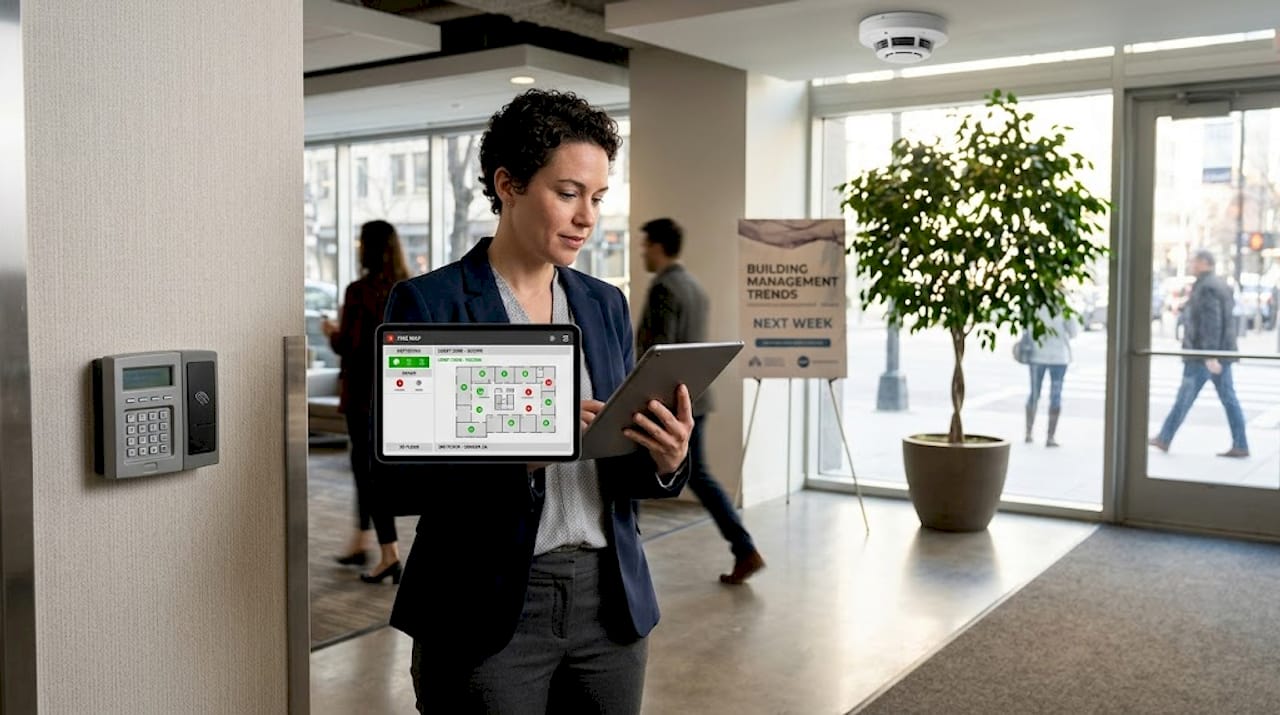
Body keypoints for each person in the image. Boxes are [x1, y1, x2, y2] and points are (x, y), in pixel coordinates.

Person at [382, 89, 694, 713]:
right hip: (483, 604)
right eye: (569, 193)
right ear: (509, 185)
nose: (587, 217)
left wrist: (666, 459)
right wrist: (523, 451)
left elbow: (616, 458)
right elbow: (399, 479)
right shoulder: (431, 305)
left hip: (609, 605)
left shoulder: (604, 303)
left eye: (597, 198)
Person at [636, 217, 766, 584]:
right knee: (698, 475)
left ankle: (629, 559)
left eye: (645, 246)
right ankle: (744, 549)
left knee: (638, 475)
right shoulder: (693, 286)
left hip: (668, 404)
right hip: (696, 398)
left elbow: (657, 352)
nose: (642, 253)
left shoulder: (664, 288)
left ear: (658, 246)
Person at [322, 220, 405, 583]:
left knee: (369, 472)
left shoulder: (360, 291)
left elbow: (351, 346)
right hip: (397, 395)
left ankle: (389, 554)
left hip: (363, 396)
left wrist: (331, 333)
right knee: (372, 469)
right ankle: (362, 540)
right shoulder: (406, 288)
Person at [1148, 249, 1249, 458]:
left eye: (1193, 261)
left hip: (1204, 355)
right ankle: (1240, 443)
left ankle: (1165, 438)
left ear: (1204, 263)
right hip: (1214, 353)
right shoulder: (1215, 284)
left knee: (1188, 397)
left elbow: (1212, 323)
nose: (1190, 264)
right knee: (1225, 398)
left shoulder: (1207, 287)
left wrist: (1209, 354)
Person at [1022, 306, 1077, 447]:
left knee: (1035, 394)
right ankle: (1050, 437)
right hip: (1057, 357)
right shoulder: (1063, 307)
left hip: (1038, 356)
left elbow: (1027, 328)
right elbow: (1073, 332)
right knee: (1055, 396)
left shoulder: (1036, 304)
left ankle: (1029, 433)